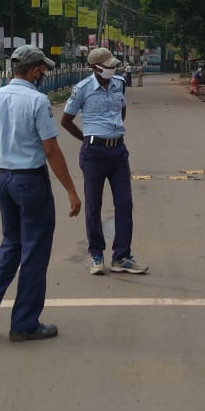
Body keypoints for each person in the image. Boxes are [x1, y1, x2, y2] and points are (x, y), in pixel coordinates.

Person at [0, 45, 82, 341]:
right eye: (43, 70)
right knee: (34, 250)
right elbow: (51, 149)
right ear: (34, 71)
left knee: (11, 243)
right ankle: (24, 323)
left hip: (2, 179)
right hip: (30, 182)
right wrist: (71, 190)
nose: (44, 75)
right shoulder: (37, 101)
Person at [61, 47, 149, 276]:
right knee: (93, 205)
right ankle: (97, 254)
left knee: (124, 204)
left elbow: (122, 109)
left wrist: (114, 130)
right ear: (96, 68)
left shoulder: (119, 83)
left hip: (118, 152)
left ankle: (121, 256)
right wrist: (87, 138)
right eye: (108, 66)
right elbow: (66, 120)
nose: (113, 69)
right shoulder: (82, 90)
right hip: (94, 154)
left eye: (113, 65)